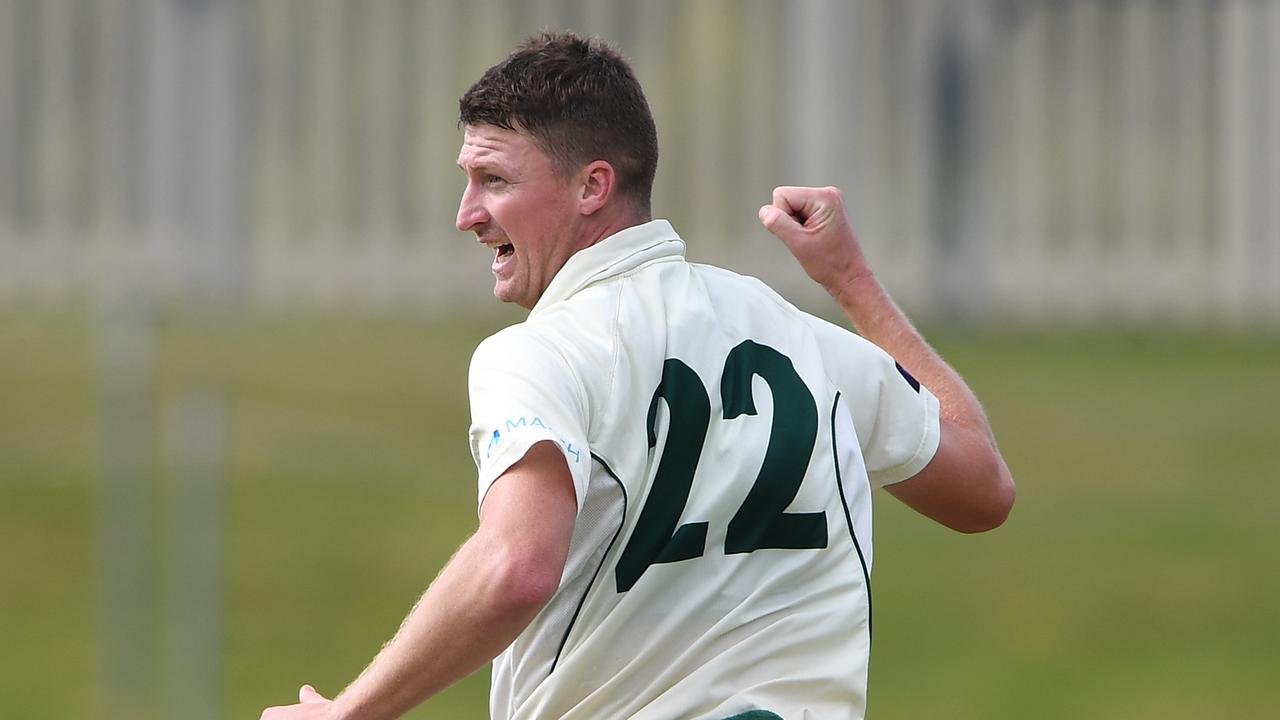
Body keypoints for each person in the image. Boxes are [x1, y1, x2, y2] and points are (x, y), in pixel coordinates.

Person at [262, 31, 1014, 720]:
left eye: (493, 179)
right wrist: (850, 279)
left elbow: (518, 567)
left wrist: (349, 712)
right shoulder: (801, 342)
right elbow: (982, 486)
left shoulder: (538, 355)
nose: (467, 214)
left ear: (593, 187)